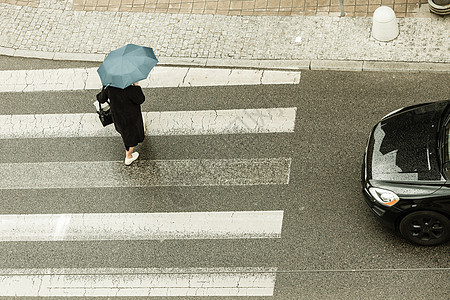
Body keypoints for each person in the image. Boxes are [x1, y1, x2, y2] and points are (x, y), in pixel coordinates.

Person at [96, 82, 145, 165]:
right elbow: (140, 99)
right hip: (131, 116)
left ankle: (129, 152)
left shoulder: (109, 85)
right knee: (130, 136)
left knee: (125, 132)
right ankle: (128, 156)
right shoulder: (130, 88)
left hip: (118, 116)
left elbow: (101, 99)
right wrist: (136, 86)